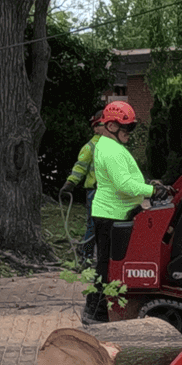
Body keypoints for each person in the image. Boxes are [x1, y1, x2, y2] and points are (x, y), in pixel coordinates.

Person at [82, 100, 156, 324]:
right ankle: (96, 313)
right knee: (107, 266)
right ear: (112, 126)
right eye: (128, 127)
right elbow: (124, 184)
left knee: (107, 263)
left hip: (114, 212)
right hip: (111, 215)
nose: (130, 133)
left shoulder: (110, 146)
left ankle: (96, 311)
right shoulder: (111, 150)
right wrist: (153, 190)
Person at [61, 111, 105, 261]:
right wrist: (71, 182)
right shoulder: (90, 147)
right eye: (99, 125)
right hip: (95, 191)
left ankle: (102, 257)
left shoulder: (114, 145)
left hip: (109, 192)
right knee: (93, 225)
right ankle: (86, 257)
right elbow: (80, 167)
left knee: (107, 225)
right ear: (95, 128)